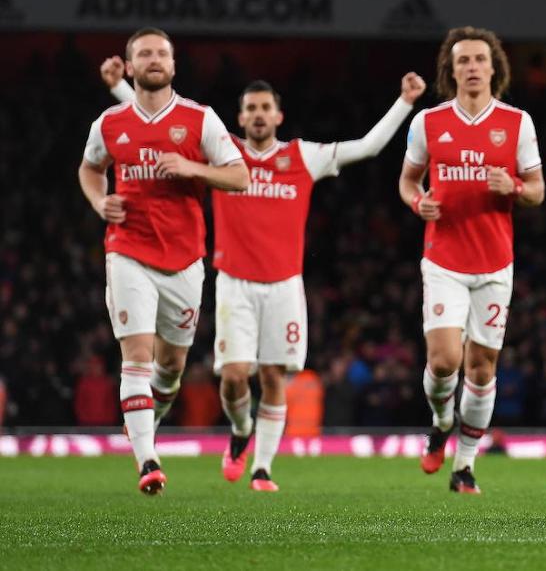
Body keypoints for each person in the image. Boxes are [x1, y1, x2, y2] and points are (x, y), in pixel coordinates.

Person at [103, 59, 422, 490]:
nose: (257, 114)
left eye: (264, 107)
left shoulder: (301, 157)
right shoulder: (223, 154)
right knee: (234, 376)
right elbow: (162, 127)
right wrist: (122, 87)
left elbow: (365, 146)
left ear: (278, 115)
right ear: (240, 117)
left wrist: (404, 102)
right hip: (235, 282)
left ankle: (262, 468)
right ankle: (239, 432)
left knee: (273, 378)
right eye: (250, 107)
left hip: (285, 285)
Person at [80, 27, 249, 494]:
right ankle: (147, 462)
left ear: (173, 66)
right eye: (144, 54)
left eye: (162, 53)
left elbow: (240, 177)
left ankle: (148, 414)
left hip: (184, 260)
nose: (155, 59)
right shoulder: (109, 123)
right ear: (129, 68)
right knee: (136, 357)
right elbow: (90, 168)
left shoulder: (200, 120)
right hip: (127, 250)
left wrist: (192, 167)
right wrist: (100, 203)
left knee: (169, 370)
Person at [399, 26, 544, 494]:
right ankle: (441, 422)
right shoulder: (428, 122)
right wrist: (416, 202)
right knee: (443, 362)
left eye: (480, 59)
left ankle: (464, 467)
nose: (473, 67)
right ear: (452, 69)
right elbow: (407, 181)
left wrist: (516, 189)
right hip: (443, 259)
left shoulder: (517, 122)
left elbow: (538, 190)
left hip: (494, 264)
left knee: (481, 368)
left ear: (493, 67)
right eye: (463, 60)